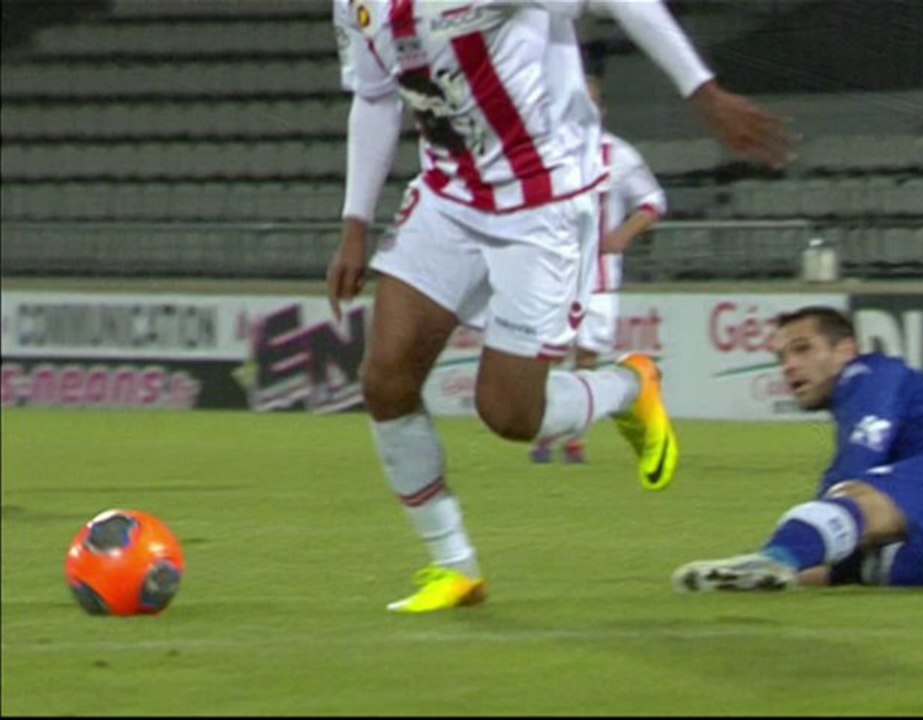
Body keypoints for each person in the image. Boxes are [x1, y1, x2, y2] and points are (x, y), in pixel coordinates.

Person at [330, 0, 794, 613]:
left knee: (511, 414)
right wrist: (355, 220)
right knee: (385, 380)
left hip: (543, 206)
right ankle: (454, 567)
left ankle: (630, 386)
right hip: (449, 195)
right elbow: (376, 96)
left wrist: (702, 90)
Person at [672, 306, 923, 593]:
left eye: (802, 350)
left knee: (851, 501)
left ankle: (773, 559)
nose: (789, 366)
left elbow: (857, 463)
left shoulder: (868, 373)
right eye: (782, 357)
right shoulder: (873, 386)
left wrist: (824, 511)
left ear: (845, 351)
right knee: (862, 561)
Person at [530, 71, 667, 464]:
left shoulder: (619, 156)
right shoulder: (544, 153)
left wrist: (624, 235)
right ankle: (543, 434)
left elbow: (654, 202)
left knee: (587, 358)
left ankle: (574, 440)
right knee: (548, 356)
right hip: (551, 273)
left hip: (600, 280)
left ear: (601, 110)